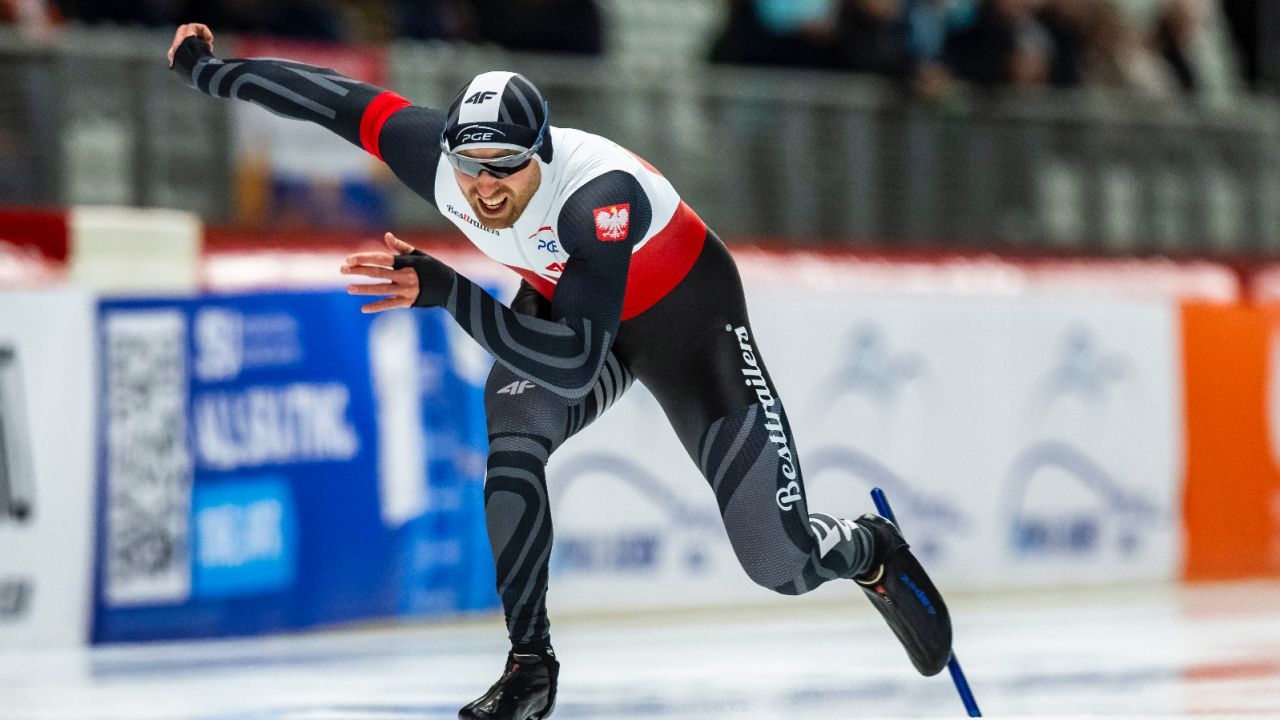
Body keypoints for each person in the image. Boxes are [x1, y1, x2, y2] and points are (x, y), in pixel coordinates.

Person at [167, 23, 954, 720]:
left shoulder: (597, 197)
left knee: (778, 563)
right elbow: (329, 97)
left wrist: (448, 291)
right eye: (470, 168)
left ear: (540, 155)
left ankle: (868, 548)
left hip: (688, 332)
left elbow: (576, 366)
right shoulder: (436, 160)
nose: (484, 189)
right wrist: (211, 70)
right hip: (568, 306)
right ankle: (529, 666)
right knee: (511, 445)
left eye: (505, 169)